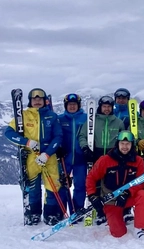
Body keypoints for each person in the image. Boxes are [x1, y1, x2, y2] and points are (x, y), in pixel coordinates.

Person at [4, 88, 63, 225]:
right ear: (30, 101)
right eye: (34, 99)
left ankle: (50, 214)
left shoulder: (52, 116)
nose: (37, 101)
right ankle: (34, 213)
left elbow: (58, 136)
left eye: (40, 99)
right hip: (31, 157)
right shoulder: (23, 116)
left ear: (44, 101)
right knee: (33, 188)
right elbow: (9, 133)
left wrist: (47, 154)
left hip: (49, 157)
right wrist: (27, 142)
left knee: (53, 186)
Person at [86, 130, 144, 240]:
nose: (125, 147)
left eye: (128, 144)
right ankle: (113, 220)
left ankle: (140, 229)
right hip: (111, 200)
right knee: (118, 233)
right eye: (122, 144)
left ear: (132, 145)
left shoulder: (138, 161)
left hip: (128, 197)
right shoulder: (105, 160)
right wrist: (92, 195)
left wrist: (128, 192)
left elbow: (141, 181)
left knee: (143, 195)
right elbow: (91, 177)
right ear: (117, 144)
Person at [57, 93, 87, 213]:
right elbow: (55, 135)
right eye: (70, 104)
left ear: (78, 105)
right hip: (65, 157)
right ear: (65, 105)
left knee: (80, 185)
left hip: (81, 158)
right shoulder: (60, 118)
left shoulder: (85, 118)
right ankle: (62, 209)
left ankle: (78, 208)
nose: (72, 106)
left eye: (74, 104)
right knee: (62, 184)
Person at [79, 95, 124, 161]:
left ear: (112, 107)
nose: (107, 109)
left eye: (109, 107)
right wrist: (85, 147)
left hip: (113, 155)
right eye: (104, 106)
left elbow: (124, 138)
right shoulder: (92, 120)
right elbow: (82, 136)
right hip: (95, 154)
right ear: (100, 107)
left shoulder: (119, 123)